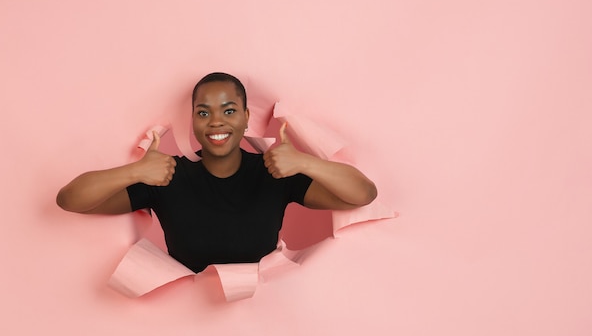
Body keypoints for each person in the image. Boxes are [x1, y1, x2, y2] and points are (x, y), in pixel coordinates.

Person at [56, 72, 377, 273]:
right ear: (193, 120)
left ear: (246, 116)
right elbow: (70, 199)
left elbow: (363, 195)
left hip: (264, 320)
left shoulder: (274, 174)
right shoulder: (166, 177)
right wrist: (135, 171)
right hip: (185, 321)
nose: (216, 121)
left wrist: (305, 163)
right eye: (203, 112)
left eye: (229, 110)